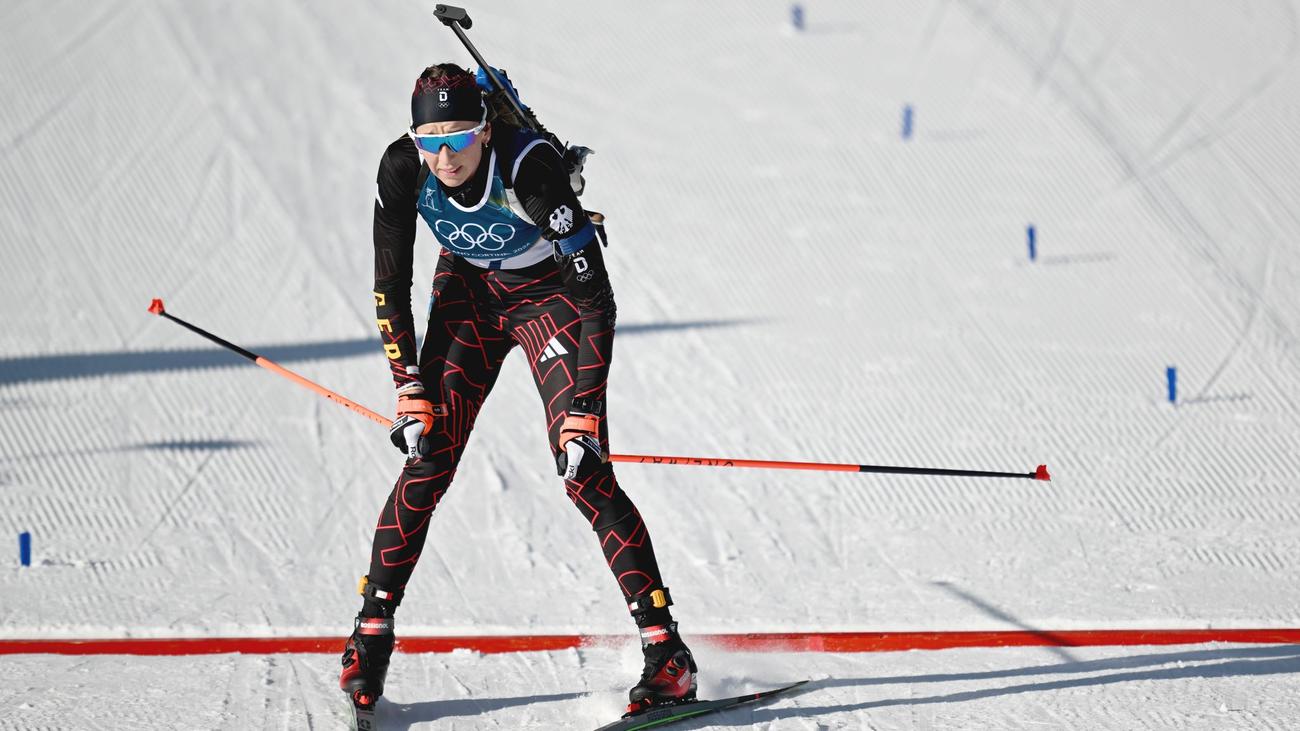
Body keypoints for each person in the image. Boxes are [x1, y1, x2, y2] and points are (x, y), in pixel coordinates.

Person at [339, 63, 697, 717]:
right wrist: (407, 385)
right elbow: (390, 283)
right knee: (427, 460)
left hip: (550, 297)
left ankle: (666, 653)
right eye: (430, 139)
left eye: (457, 138)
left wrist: (583, 411)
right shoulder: (402, 168)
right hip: (470, 295)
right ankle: (369, 640)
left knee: (582, 469)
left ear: (484, 128)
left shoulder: (529, 168)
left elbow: (595, 295)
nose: (444, 155)